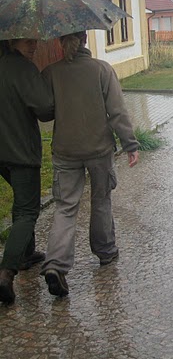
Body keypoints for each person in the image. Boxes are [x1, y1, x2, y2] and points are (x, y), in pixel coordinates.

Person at [39, 31, 139, 297]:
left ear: (60, 42)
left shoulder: (51, 73)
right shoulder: (102, 70)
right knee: (101, 200)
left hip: (65, 150)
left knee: (65, 207)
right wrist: (130, 144)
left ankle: (55, 264)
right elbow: (117, 111)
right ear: (85, 39)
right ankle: (106, 251)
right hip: (99, 149)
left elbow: (44, 112)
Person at [0, 39, 54, 304]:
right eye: (27, 40)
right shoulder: (23, 68)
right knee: (27, 210)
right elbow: (45, 109)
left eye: (34, 39)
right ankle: (6, 272)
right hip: (20, 151)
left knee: (21, 202)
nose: (34, 45)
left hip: (2, 152)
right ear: (12, 40)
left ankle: (26, 254)